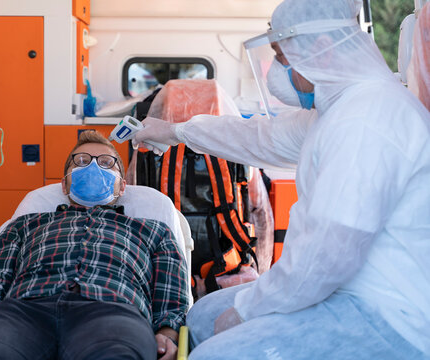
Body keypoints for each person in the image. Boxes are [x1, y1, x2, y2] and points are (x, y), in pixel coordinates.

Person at [134, 0, 430, 358]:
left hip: (387, 313)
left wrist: (248, 310)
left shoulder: (366, 119)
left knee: (212, 353)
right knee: (201, 315)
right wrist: (175, 131)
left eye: (281, 56)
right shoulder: (339, 108)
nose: (275, 71)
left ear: (319, 50)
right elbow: (258, 136)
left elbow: (324, 256)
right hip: (344, 289)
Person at [0, 131, 189, 360]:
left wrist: (166, 337)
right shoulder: (24, 226)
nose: (94, 168)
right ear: (64, 186)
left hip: (113, 311)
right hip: (24, 312)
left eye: (107, 163)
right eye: (82, 162)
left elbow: (172, 300)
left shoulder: (154, 231)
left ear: (123, 186)